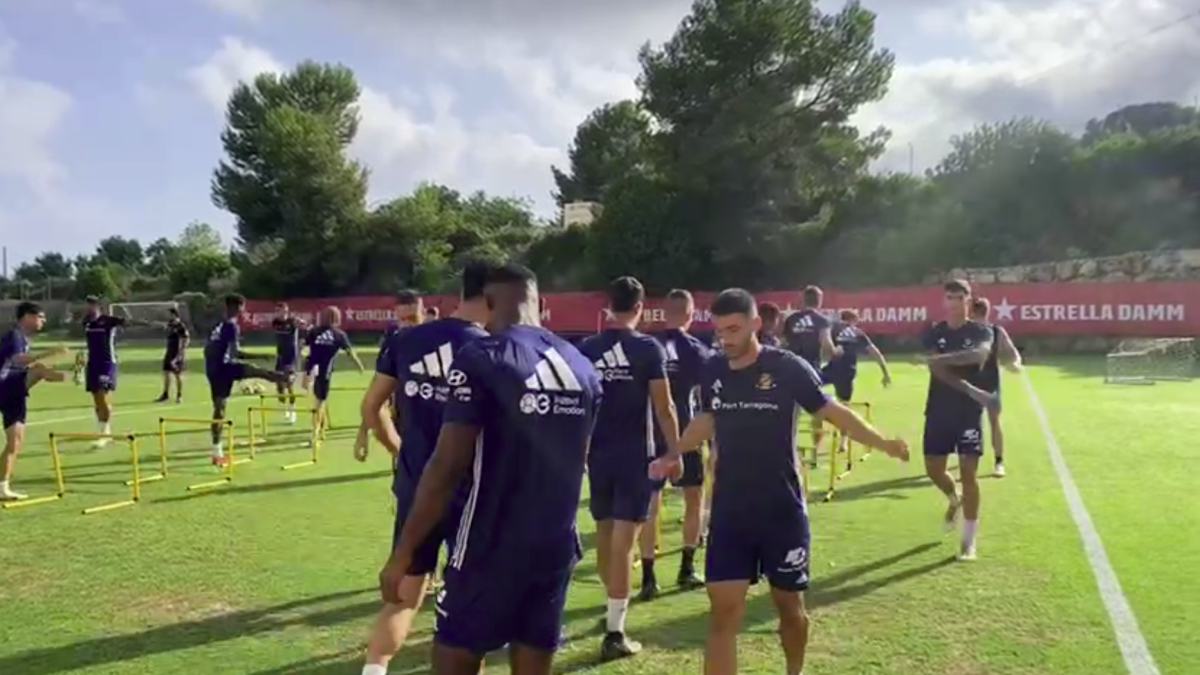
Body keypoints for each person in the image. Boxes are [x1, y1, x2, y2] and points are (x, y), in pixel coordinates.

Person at [649, 288, 909, 675]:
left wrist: (883, 442)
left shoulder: (787, 367)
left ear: (756, 324)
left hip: (781, 510)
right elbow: (708, 419)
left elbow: (833, 411)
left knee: (788, 607)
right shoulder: (713, 368)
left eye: (734, 329)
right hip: (730, 512)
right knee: (723, 612)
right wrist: (674, 452)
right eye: (720, 332)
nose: (726, 339)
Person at [384, 263, 600, 675]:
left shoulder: (481, 356)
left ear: (485, 304)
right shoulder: (582, 364)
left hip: (488, 546)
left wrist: (404, 553)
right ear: (542, 304)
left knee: (454, 659)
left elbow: (446, 466)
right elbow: (580, 456)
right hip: (556, 546)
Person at [356, 262, 492, 675]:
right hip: (468, 495)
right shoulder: (492, 348)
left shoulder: (408, 340)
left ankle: (374, 671)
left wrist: (399, 450)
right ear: (492, 298)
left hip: (416, 488)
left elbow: (370, 407)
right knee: (469, 604)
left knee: (404, 596)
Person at [578, 276, 681, 661]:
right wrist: (676, 451)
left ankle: (612, 611)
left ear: (608, 306)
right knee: (623, 542)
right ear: (641, 307)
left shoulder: (587, 348)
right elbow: (664, 406)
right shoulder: (646, 348)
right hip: (636, 455)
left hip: (598, 455)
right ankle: (615, 631)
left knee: (605, 536)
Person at [917, 280, 995, 561]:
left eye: (959, 297)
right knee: (933, 469)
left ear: (968, 300)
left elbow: (979, 354)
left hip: (968, 412)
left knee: (969, 473)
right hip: (938, 410)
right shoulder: (933, 331)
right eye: (949, 297)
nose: (954, 303)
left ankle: (968, 541)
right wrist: (955, 366)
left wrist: (945, 359)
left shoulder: (980, 330)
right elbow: (939, 370)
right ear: (943, 300)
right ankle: (954, 498)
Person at [647, 288, 711, 596]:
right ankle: (687, 567)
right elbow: (708, 394)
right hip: (687, 431)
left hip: (652, 432)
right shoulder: (697, 349)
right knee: (693, 499)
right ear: (690, 313)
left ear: (663, 312)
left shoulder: (649, 345)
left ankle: (648, 576)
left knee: (651, 503)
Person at [204, 294, 291, 466]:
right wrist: (260, 356)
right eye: (243, 307)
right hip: (224, 367)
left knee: (219, 410)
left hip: (212, 369)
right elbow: (236, 353)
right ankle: (281, 378)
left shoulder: (218, 325)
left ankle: (217, 452)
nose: (245, 311)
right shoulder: (231, 326)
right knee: (252, 370)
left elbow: (208, 348)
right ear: (238, 308)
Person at [0, 302, 70, 501]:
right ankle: (74, 375)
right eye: (40, 316)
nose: (44, 320)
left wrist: (54, 370)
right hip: (5, 386)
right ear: (27, 316)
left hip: (11, 391)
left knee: (15, 441)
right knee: (39, 368)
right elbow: (18, 359)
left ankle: (2, 487)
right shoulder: (15, 335)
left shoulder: (23, 338)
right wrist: (48, 353)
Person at [821, 309, 892, 454]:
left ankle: (817, 439)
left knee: (813, 395)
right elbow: (875, 352)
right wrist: (885, 372)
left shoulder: (833, 329)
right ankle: (843, 443)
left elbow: (823, 347)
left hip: (830, 370)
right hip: (847, 373)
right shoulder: (857, 333)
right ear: (854, 320)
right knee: (845, 407)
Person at [781, 286, 839, 458]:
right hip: (811, 371)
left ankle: (788, 449)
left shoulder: (791, 319)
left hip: (790, 369)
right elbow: (827, 345)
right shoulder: (822, 320)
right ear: (819, 301)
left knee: (790, 414)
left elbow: (782, 344)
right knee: (818, 411)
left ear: (803, 299)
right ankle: (816, 449)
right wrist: (836, 354)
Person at [969, 298, 1022, 477]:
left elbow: (1013, 354)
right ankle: (989, 461)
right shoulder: (966, 333)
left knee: (992, 422)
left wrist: (1015, 364)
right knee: (974, 423)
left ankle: (998, 461)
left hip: (989, 384)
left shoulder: (996, 332)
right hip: (972, 385)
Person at [80, 296, 141, 447]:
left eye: (91, 305)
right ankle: (104, 431)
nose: (88, 308)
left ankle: (106, 434)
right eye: (87, 305)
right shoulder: (86, 322)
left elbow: (127, 322)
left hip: (107, 362)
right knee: (96, 398)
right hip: (92, 362)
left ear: (98, 306)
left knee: (103, 394)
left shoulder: (108, 320)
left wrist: (131, 317)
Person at [301, 307, 364, 436]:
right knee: (319, 401)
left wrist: (304, 365)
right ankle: (315, 432)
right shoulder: (339, 334)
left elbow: (303, 347)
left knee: (318, 400)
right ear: (337, 318)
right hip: (324, 372)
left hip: (310, 369)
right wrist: (359, 365)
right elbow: (350, 352)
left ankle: (320, 429)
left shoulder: (314, 331)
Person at [271, 303, 307, 424]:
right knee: (280, 386)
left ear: (287, 311)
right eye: (279, 311)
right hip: (280, 357)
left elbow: (303, 325)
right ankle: (284, 409)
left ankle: (293, 411)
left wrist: (302, 341)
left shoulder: (292, 321)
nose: (281, 313)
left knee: (289, 383)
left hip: (291, 358)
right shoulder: (275, 323)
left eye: (284, 311)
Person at [155, 307, 190, 404]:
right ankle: (165, 394)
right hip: (169, 352)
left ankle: (179, 395)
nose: (168, 316)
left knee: (178, 375)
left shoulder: (180, 326)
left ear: (174, 314)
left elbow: (186, 339)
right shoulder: (170, 324)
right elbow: (164, 327)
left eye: (169, 314)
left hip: (177, 354)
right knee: (166, 373)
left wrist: (181, 353)